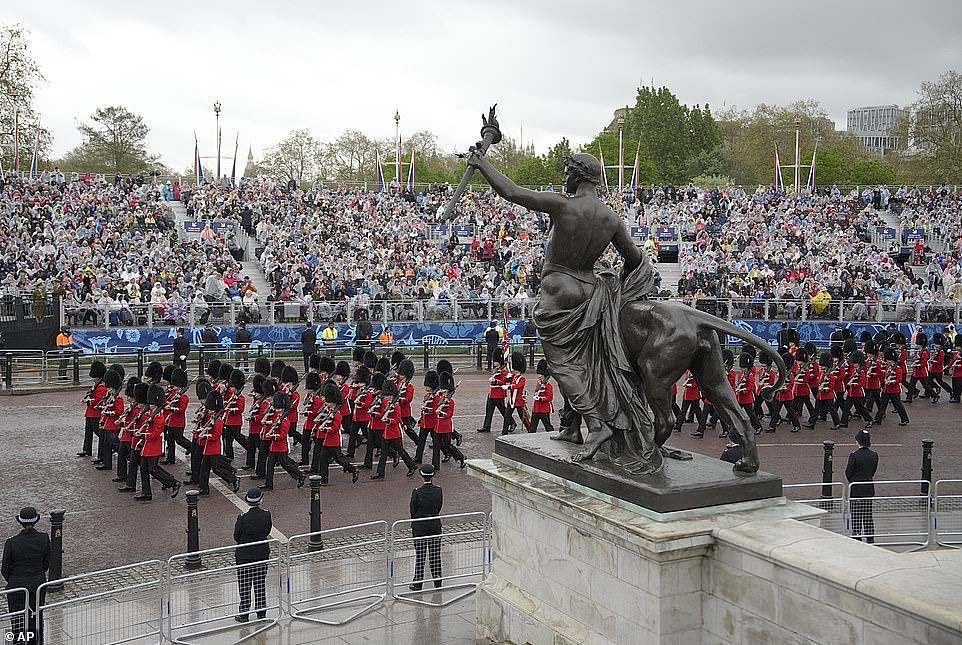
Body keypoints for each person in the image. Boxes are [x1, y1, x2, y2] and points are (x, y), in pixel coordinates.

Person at [2, 507, 50, 645]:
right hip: (38, 583)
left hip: (16, 585)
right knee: (36, 616)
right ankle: (36, 642)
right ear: (36, 521)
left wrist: (14, 579)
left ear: (20, 523)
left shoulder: (11, 542)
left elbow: (5, 568)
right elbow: (46, 563)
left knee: (17, 618)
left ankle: (18, 642)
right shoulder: (44, 538)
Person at [234, 489, 272, 623]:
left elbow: (236, 536)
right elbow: (267, 530)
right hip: (261, 554)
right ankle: (261, 613)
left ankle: (244, 614)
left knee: (244, 585)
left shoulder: (243, 517)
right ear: (260, 500)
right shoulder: (267, 515)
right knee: (260, 583)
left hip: (244, 556)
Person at [408, 465, 443, 591]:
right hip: (434, 524)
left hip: (420, 527)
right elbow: (439, 507)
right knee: (435, 554)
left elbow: (413, 510)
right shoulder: (438, 490)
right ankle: (437, 580)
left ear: (422, 476)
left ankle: (418, 582)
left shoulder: (417, 491)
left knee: (420, 555)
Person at [845, 430, 878, 543]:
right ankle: (870, 538)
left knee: (856, 515)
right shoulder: (874, 455)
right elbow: (873, 471)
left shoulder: (854, 455)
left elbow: (848, 472)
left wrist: (853, 481)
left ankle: (857, 536)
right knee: (868, 514)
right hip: (868, 489)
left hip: (856, 489)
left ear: (858, 441)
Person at [529, 359, 555, 432]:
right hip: (536, 409)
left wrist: (540, 399)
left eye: (541, 377)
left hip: (544, 410)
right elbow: (536, 392)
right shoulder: (538, 384)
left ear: (545, 376)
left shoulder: (548, 386)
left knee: (548, 426)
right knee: (532, 428)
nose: (539, 378)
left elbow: (549, 398)